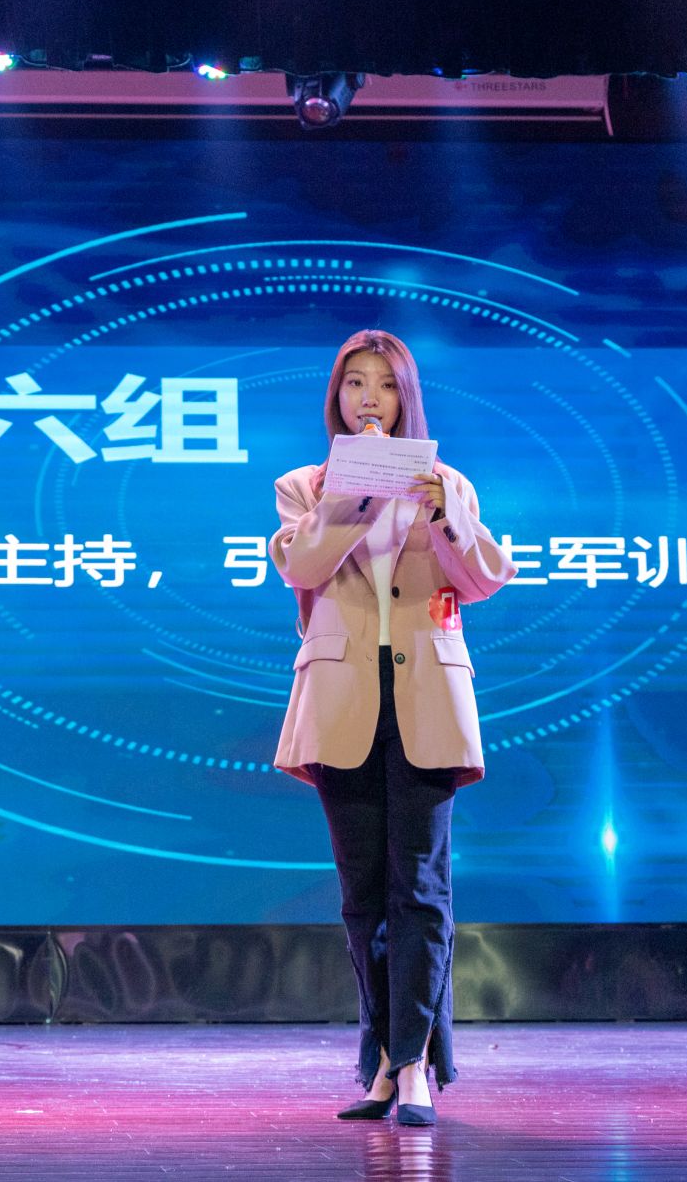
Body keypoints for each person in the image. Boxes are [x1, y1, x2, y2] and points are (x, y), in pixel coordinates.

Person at [268, 328, 514, 1127]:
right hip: (342, 698)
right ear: (336, 398)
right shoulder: (305, 486)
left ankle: (411, 1066)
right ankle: (385, 1055)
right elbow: (302, 566)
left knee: (421, 889)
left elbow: (484, 576)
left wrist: (441, 510)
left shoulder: (448, 482)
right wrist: (353, 491)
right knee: (363, 896)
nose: (368, 398)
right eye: (354, 384)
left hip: (426, 698)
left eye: (383, 384)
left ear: (406, 398)